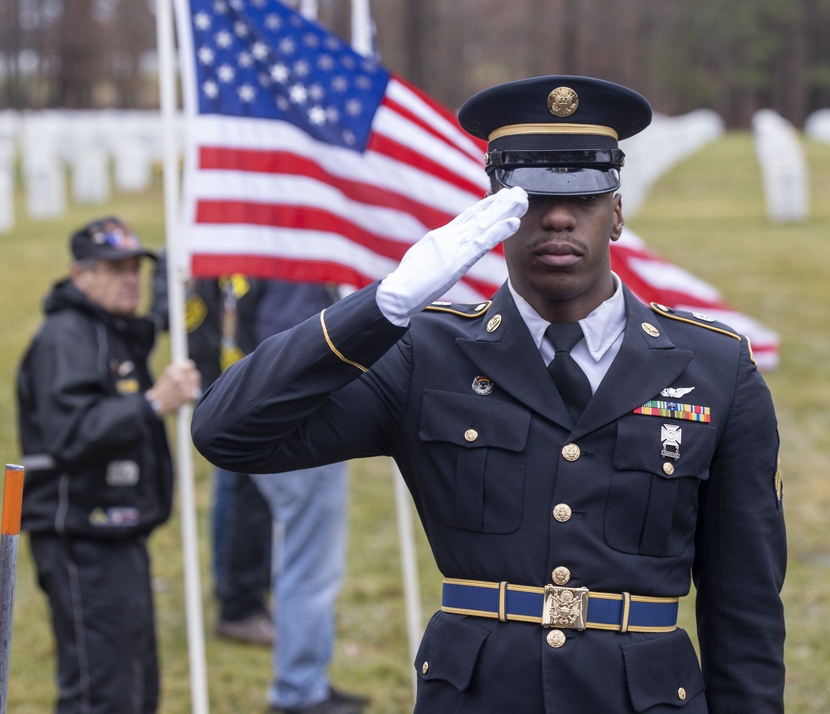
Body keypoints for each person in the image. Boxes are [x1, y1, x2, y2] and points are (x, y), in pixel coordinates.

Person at [192, 75, 786, 713]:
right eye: (529, 198)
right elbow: (228, 431)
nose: (557, 216)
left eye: (582, 196)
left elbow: (744, 604)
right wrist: (383, 306)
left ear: (616, 212)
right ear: (492, 211)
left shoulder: (714, 369)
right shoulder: (429, 354)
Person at [17, 216, 201, 713]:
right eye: (113, 268)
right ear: (81, 276)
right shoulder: (66, 337)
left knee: (136, 685)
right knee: (101, 692)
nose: (129, 279)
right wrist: (151, 403)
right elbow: (69, 433)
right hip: (80, 536)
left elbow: (154, 315)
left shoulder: (111, 329)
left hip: (120, 533)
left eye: (134, 269)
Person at [247, 280, 367, 714]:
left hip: (289, 427)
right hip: (303, 428)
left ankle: (306, 679)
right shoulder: (296, 271)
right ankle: (298, 689)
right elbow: (297, 348)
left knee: (307, 561)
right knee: (310, 566)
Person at [148, 265, 276, 645]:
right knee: (247, 493)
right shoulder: (190, 244)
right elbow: (163, 312)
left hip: (240, 373)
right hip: (224, 379)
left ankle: (233, 589)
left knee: (235, 487)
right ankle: (240, 604)